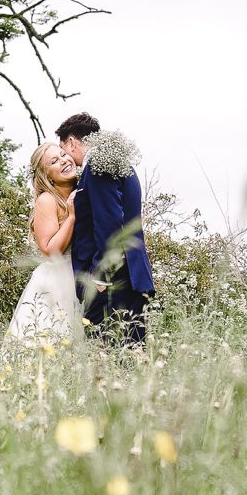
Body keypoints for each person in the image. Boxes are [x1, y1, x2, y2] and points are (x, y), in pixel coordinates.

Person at [56, 111, 154, 344]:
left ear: (72, 141)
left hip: (112, 281)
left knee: (106, 355)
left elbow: (109, 221)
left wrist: (100, 275)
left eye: (63, 150)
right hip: (130, 274)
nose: (67, 158)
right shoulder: (121, 163)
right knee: (130, 351)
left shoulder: (98, 165)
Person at [7, 141, 81, 341]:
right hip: (58, 280)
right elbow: (49, 250)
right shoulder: (48, 200)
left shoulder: (82, 190)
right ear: (46, 175)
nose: (64, 161)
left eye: (64, 155)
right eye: (55, 161)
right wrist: (72, 216)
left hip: (81, 274)